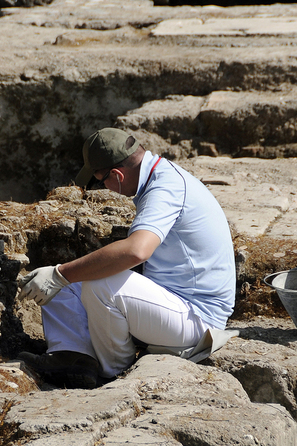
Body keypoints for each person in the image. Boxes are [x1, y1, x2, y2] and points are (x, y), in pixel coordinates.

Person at [17, 128, 236, 389]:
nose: (103, 188)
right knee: (73, 276)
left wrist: (60, 274)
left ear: (117, 175)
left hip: (198, 319)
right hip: (176, 304)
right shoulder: (160, 176)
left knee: (98, 284)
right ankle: (74, 358)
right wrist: (61, 275)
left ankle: (113, 372)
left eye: (100, 181)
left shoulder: (165, 188)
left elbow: (136, 251)